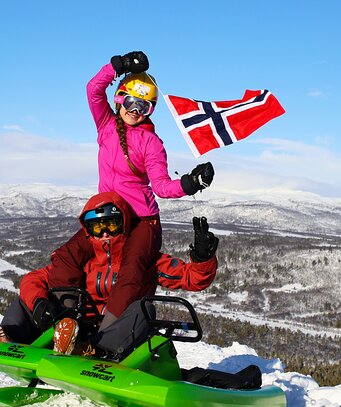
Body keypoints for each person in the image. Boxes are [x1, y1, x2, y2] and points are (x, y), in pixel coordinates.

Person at [45, 51, 215, 329]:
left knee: (131, 272)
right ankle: (66, 322)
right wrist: (118, 66)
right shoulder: (106, 125)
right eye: (133, 102)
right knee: (67, 256)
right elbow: (93, 89)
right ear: (120, 98)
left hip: (141, 221)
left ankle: (106, 333)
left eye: (145, 107)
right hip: (107, 216)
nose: (136, 111)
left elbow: (160, 185)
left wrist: (189, 184)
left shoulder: (151, 142)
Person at [0, 191, 219, 360]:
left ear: (123, 224)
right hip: (78, 327)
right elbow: (34, 279)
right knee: (26, 299)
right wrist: (39, 305)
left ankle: (90, 350)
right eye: (96, 227)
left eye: (111, 225)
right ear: (87, 230)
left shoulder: (144, 262)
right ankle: (10, 337)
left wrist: (202, 258)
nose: (104, 233)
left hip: (117, 334)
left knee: (144, 309)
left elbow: (191, 278)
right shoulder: (84, 261)